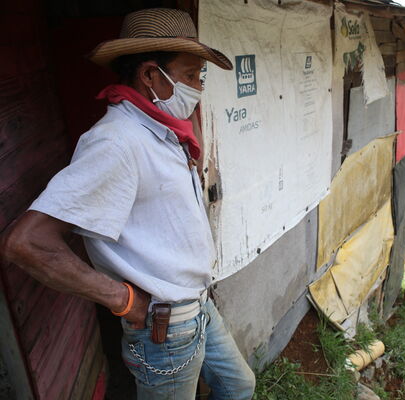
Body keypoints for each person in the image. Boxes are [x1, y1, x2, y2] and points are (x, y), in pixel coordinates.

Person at [0, 8, 255, 400]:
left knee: (238, 386)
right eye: (190, 76)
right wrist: (122, 299)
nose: (198, 87)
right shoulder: (116, 141)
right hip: (164, 327)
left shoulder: (162, 131)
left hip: (196, 307)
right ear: (151, 75)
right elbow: (27, 242)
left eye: (199, 77)